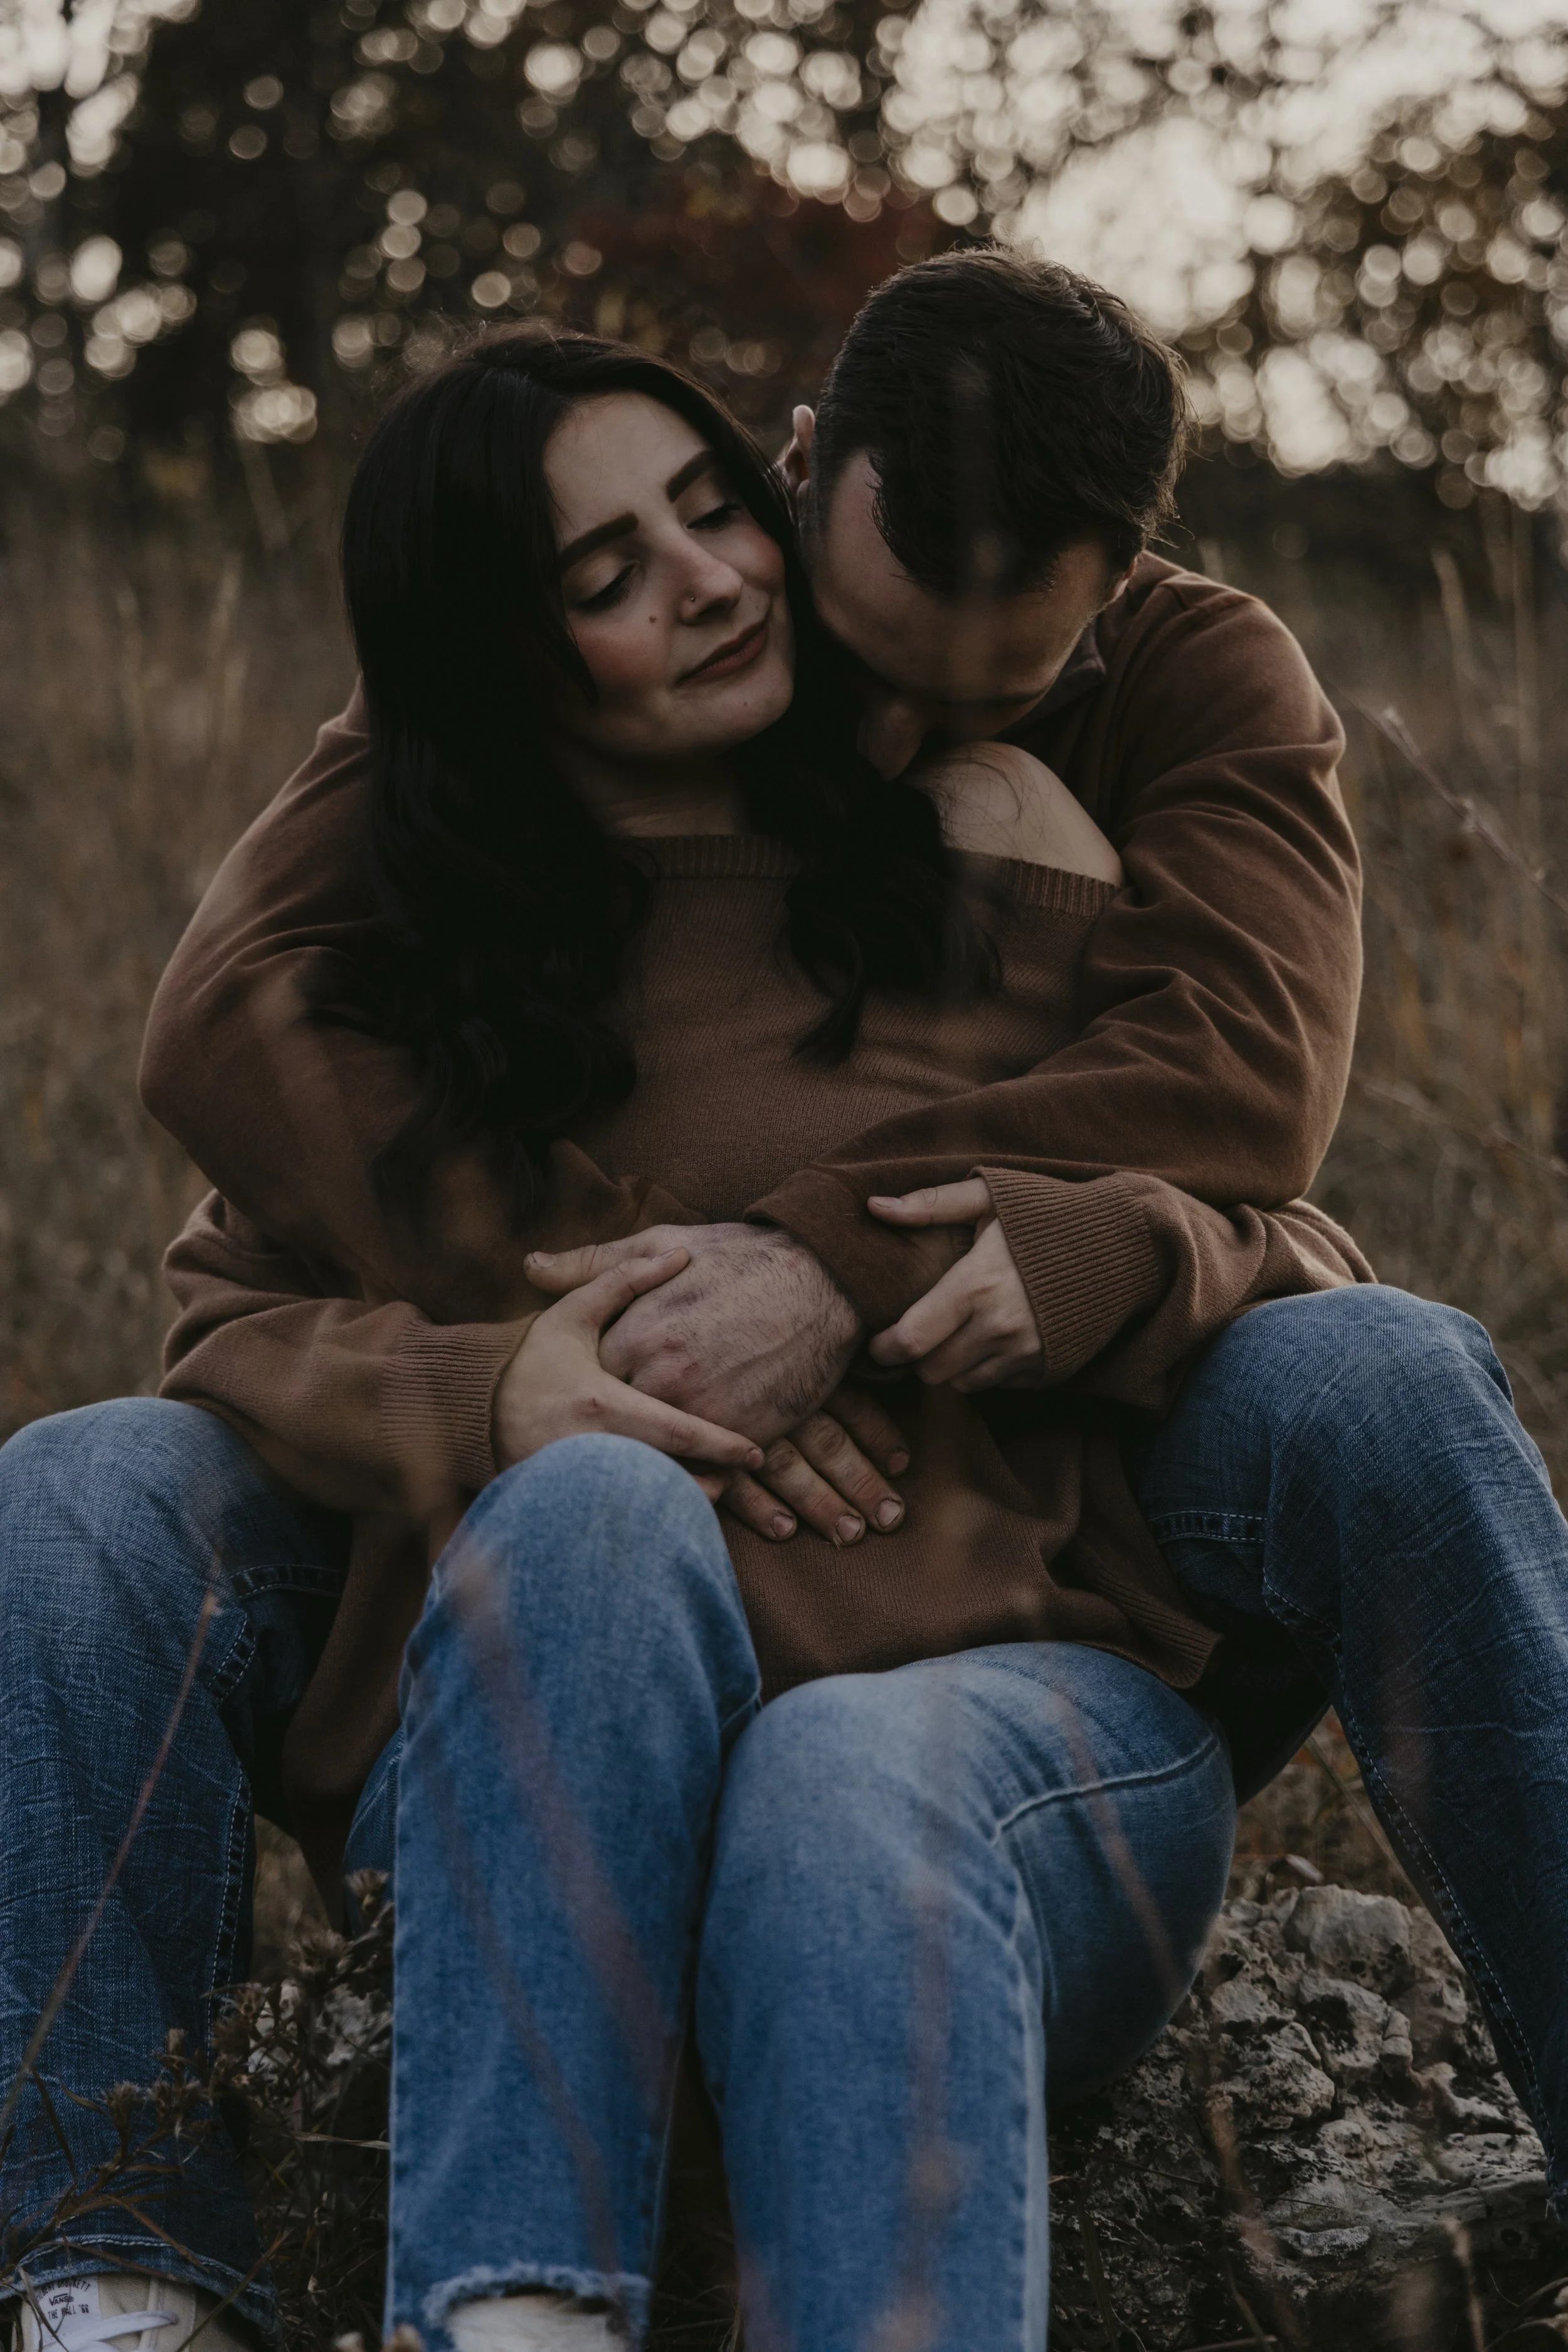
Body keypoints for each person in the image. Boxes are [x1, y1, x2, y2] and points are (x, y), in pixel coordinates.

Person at [140, 252, 1568, 2294]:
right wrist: (591, 1338)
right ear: (801, 468)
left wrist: (819, 1269)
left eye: (984, 697)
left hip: (1078, 1506)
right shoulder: (597, 636)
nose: (883, 733)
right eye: (866, 654)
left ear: (1114, 581)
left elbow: (1242, 1086)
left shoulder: (1197, 680)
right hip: (622, 1549)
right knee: (152, 1496)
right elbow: (225, 1026)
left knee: (1390, 1375)